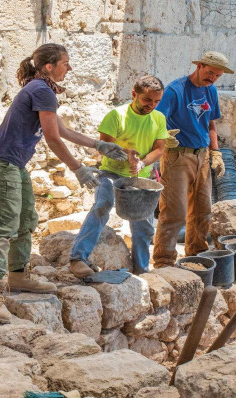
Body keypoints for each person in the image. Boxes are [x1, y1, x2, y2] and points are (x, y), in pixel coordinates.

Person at [0, 43, 127, 324]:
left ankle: (19, 276)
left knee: (26, 220)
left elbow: (61, 129)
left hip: (12, 162)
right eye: (65, 63)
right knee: (5, 226)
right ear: (49, 66)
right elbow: (52, 138)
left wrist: (98, 145)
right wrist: (78, 169)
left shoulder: (40, 89)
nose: (68, 68)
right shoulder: (42, 91)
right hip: (2, 162)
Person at [69, 76, 169, 278]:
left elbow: (159, 149)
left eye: (157, 101)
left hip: (140, 177)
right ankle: (78, 258)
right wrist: (127, 153)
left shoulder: (158, 118)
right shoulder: (117, 116)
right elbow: (105, 148)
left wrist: (142, 162)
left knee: (143, 224)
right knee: (102, 206)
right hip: (112, 173)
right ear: (134, 94)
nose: (152, 105)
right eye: (147, 100)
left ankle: (142, 271)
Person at [152, 51, 231, 268]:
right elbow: (157, 119)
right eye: (210, 73)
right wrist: (164, 136)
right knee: (174, 211)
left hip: (202, 155)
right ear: (199, 66)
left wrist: (216, 153)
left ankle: (197, 254)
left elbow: (211, 123)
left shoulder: (211, 90)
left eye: (217, 75)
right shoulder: (176, 90)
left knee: (202, 210)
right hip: (178, 155)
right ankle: (164, 261)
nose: (212, 78)